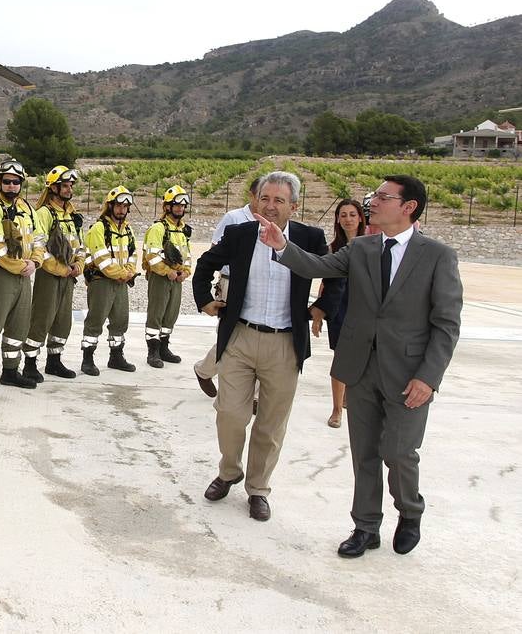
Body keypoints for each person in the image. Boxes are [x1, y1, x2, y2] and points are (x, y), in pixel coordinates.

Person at [265, 176, 462, 558]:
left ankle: (410, 510)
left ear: (408, 207)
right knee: (364, 454)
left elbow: (446, 324)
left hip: (409, 376)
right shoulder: (361, 248)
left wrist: (429, 377)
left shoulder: (437, 256)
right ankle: (366, 526)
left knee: (400, 453)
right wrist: (282, 246)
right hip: (361, 368)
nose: (374, 202)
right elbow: (317, 264)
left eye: (383, 197)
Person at [191, 171, 340, 522]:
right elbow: (204, 266)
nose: (270, 206)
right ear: (255, 200)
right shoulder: (238, 234)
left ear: (294, 206)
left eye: (279, 201)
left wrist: (321, 307)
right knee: (230, 414)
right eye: (264, 198)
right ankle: (229, 472)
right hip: (241, 336)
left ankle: (258, 489)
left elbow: (335, 274)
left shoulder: (309, 237)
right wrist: (204, 300)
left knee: (271, 424)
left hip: (285, 343)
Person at [0, 160, 44, 393]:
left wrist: (34, 262)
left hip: (24, 273)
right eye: (7, 182)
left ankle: (11, 371)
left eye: (16, 182)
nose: (11, 186)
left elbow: (40, 240)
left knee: (19, 325)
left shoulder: (28, 210)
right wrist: (21, 266)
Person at [193, 176, 261, 396]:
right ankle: (205, 370)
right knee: (231, 334)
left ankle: (255, 395)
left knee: (259, 335)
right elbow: (214, 250)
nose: (269, 204)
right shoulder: (234, 218)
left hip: (258, 285)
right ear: (252, 195)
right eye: (263, 196)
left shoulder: (275, 222)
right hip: (232, 282)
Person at [24, 165, 86, 381]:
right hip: (50, 276)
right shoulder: (44, 213)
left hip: (68, 277)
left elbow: (79, 244)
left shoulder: (71, 215)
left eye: (70, 186)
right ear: (53, 188)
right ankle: (30, 363)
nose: (69, 190)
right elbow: (40, 247)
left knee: (62, 320)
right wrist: (62, 270)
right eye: (65, 186)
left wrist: (79, 264)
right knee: (42, 318)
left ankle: (54, 361)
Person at [312, 198, 364, 428]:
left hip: (364, 306)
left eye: (352, 214)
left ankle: (349, 399)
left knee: (363, 357)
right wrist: (320, 311)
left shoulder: (373, 244)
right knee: (341, 357)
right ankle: (336, 409)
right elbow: (326, 281)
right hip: (340, 306)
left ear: (360, 217)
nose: (348, 219)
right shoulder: (333, 248)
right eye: (343, 215)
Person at [80, 186, 140, 376]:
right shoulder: (99, 228)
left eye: (125, 206)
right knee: (95, 320)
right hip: (101, 282)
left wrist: (129, 271)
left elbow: (133, 253)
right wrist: (123, 274)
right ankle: (87, 359)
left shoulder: (127, 229)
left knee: (120, 320)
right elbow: (102, 260)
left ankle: (116, 356)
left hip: (121, 281)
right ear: (110, 206)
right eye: (119, 205)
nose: (122, 209)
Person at [141, 186, 193, 369]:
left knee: (171, 314)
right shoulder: (158, 228)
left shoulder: (182, 231)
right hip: (161, 278)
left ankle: (164, 348)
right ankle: (153, 352)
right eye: (175, 205)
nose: (180, 208)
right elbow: (152, 256)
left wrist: (186, 271)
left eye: (182, 205)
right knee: (156, 314)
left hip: (176, 279)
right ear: (167, 207)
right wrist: (166, 271)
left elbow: (187, 255)